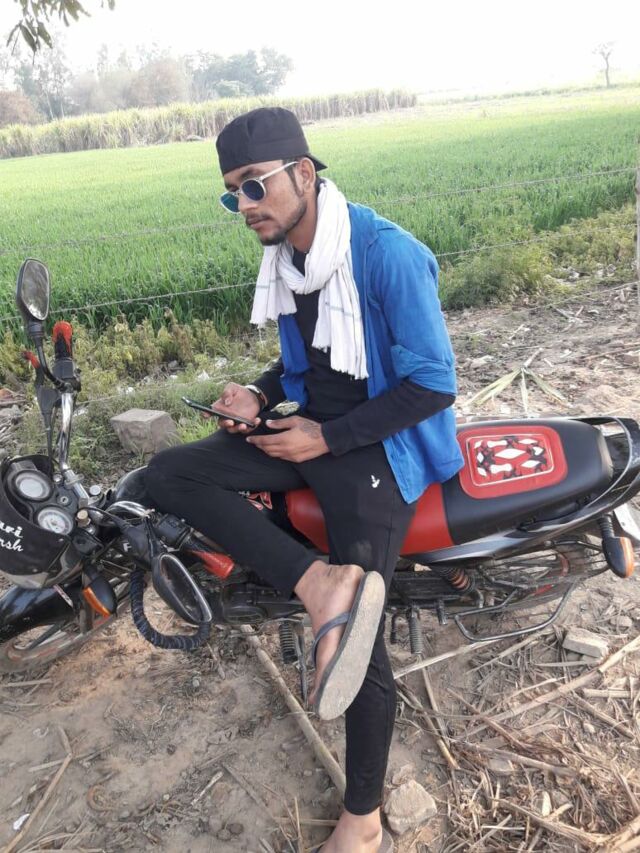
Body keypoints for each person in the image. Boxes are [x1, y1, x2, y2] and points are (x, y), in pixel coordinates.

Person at [144, 107, 463, 853]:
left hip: (377, 446)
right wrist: (258, 397)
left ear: (305, 175)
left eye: (255, 185)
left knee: (358, 644)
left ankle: (364, 818)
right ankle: (317, 582)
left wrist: (327, 437)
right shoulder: (290, 258)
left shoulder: (387, 255)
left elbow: (433, 383)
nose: (244, 205)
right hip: (308, 428)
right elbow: (307, 362)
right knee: (168, 473)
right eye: (232, 192)